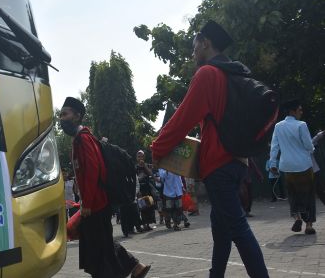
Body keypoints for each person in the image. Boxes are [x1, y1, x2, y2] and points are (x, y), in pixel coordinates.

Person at [150, 20, 269, 277]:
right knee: (221, 228)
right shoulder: (234, 72)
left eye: (194, 48)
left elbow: (182, 120)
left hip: (219, 164)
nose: (193, 54)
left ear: (205, 43)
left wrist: (157, 148)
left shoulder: (207, 74)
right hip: (239, 162)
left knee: (237, 228)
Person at [59, 96, 151, 278]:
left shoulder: (84, 139)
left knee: (97, 249)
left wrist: (88, 204)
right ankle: (136, 267)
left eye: (65, 114)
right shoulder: (79, 139)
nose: (61, 119)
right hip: (94, 203)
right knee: (101, 243)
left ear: (77, 116)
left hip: (96, 204)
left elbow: (94, 171)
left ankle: (133, 267)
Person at [269, 99, 317, 234]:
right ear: (293, 111)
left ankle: (297, 217)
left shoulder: (278, 126)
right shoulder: (301, 125)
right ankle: (309, 225)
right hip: (304, 165)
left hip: (287, 167)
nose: (301, 112)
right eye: (300, 110)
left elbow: (274, 146)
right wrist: (312, 148)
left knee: (293, 194)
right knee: (308, 195)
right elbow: (308, 145)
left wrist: (273, 163)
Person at [136, 150, 156, 231]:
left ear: (144, 157)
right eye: (139, 156)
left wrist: (145, 166)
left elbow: (151, 174)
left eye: (142, 156)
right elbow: (135, 180)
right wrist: (137, 192)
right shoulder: (135, 167)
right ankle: (144, 225)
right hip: (140, 190)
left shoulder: (147, 165)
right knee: (142, 208)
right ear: (136, 158)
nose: (140, 158)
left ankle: (148, 225)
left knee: (149, 206)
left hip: (148, 189)